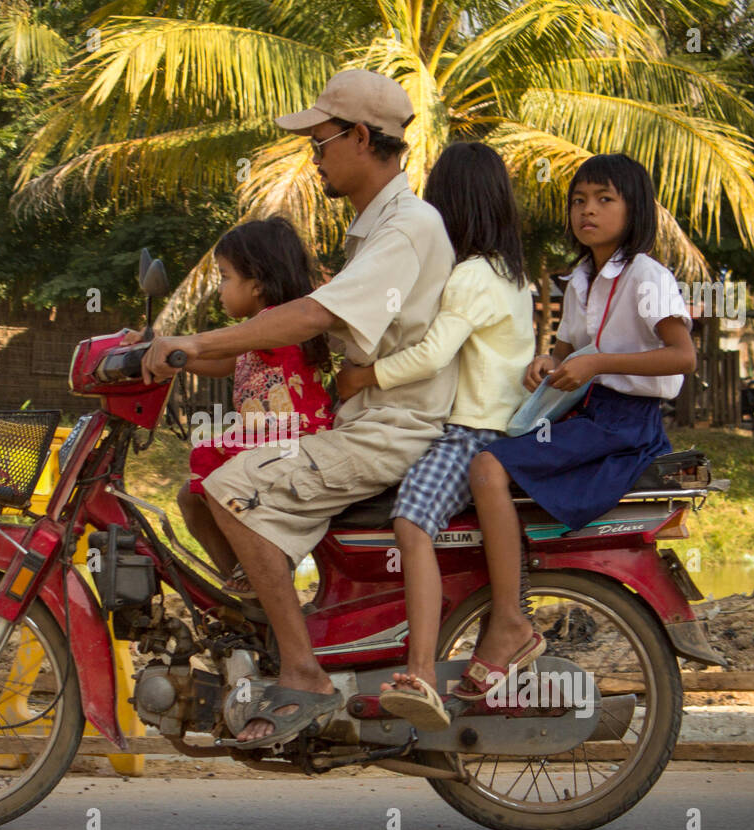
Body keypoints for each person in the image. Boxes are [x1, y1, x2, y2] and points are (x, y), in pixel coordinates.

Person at [141, 69, 458, 748]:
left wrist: (192, 341)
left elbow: (309, 317)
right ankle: (265, 615)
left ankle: (302, 671)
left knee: (229, 487)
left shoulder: (405, 229)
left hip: (386, 429)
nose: (314, 157)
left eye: (321, 142)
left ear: (364, 138)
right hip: (364, 419)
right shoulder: (371, 231)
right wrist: (182, 355)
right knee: (210, 483)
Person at [462, 153, 697, 701]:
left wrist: (598, 363)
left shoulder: (647, 276)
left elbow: (681, 357)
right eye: (578, 200)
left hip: (624, 426)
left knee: (487, 468)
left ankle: (509, 621)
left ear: (634, 209)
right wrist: (547, 363)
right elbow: (565, 350)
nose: (587, 211)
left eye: (604, 200)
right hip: (585, 413)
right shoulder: (582, 279)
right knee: (478, 464)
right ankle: (508, 605)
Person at [333, 141, 533, 729]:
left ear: (453, 205)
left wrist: (361, 376)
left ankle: (420, 669)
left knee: (411, 521)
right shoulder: (512, 276)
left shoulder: (470, 276)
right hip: (496, 429)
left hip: (469, 433)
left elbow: (430, 355)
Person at [127, 218, 332, 596]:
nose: (220, 289)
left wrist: (181, 342)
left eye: (224, 277)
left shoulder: (275, 323)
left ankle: (256, 578)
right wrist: (161, 349)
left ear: (256, 283)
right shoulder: (266, 329)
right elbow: (226, 363)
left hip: (289, 440)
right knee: (190, 495)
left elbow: (221, 350)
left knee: (207, 464)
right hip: (273, 439)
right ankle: (246, 580)